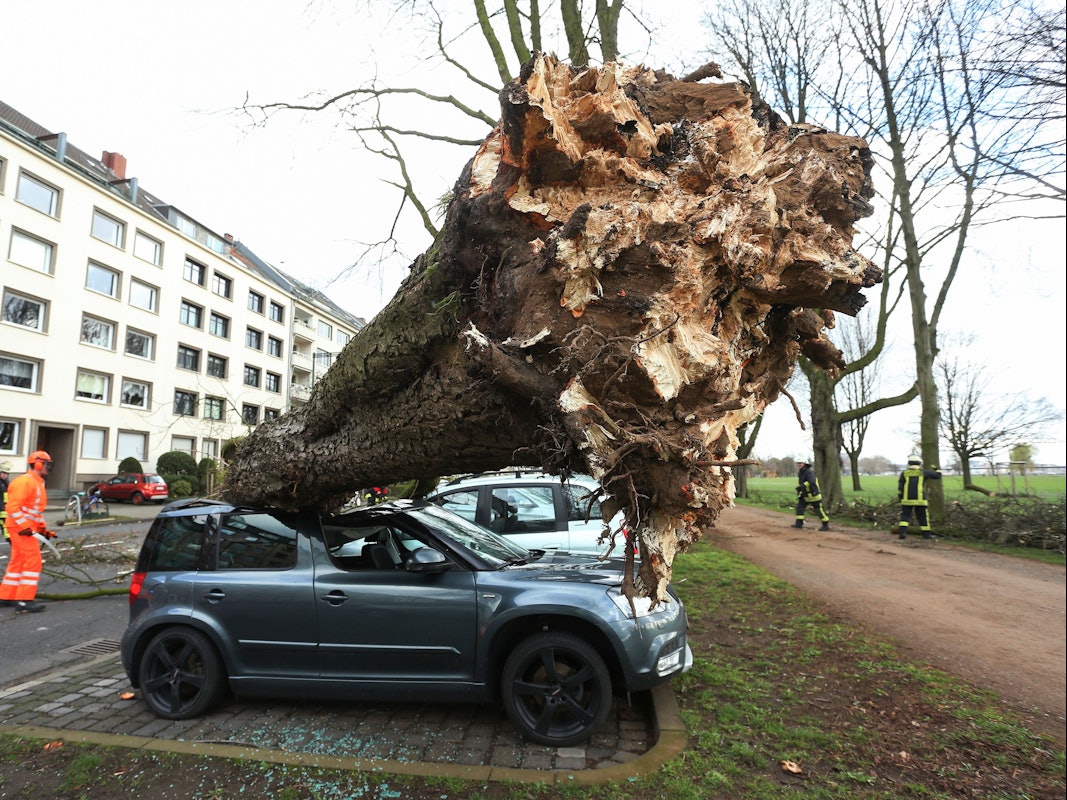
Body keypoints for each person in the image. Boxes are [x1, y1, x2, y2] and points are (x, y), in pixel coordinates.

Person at [1, 450, 56, 613]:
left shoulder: (36, 482)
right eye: (47, 464)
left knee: (18, 561)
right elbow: (12, 507)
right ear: (38, 464)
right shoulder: (26, 482)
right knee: (33, 561)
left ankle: (6, 595)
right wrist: (25, 527)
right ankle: (24, 600)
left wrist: (43, 531)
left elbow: (34, 511)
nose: (48, 467)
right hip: (21, 529)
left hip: (22, 527)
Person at [898, 456, 942, 540]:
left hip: (907, 500)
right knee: (923, 517)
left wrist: (901, 498)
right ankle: (926, 535)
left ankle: (902, 533)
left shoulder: (904, 473)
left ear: (909, 463)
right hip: (920, 500)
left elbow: (900, 487)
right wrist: (937, 469)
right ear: (919, 463)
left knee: (905, 517)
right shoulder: (922, 472)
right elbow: (937, 476)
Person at [794, 459, 830, 530]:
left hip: (814, 495)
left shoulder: (809, 471)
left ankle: (825, 525)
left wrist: (802, 486)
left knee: (818, 510)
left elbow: (811, 481)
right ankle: (799, 524)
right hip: (805, 495)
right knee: (799, 508)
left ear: (805, 463)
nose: (799, 464)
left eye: (800, 463)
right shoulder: (802, 471)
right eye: (798, 463)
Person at [0, 460, 11, 545]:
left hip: (5, 510)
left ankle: (11, 542)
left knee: (6, 529)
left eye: (6, 473)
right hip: (2, 510)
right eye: (4, 473)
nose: (5, 475)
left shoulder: (7, 483)